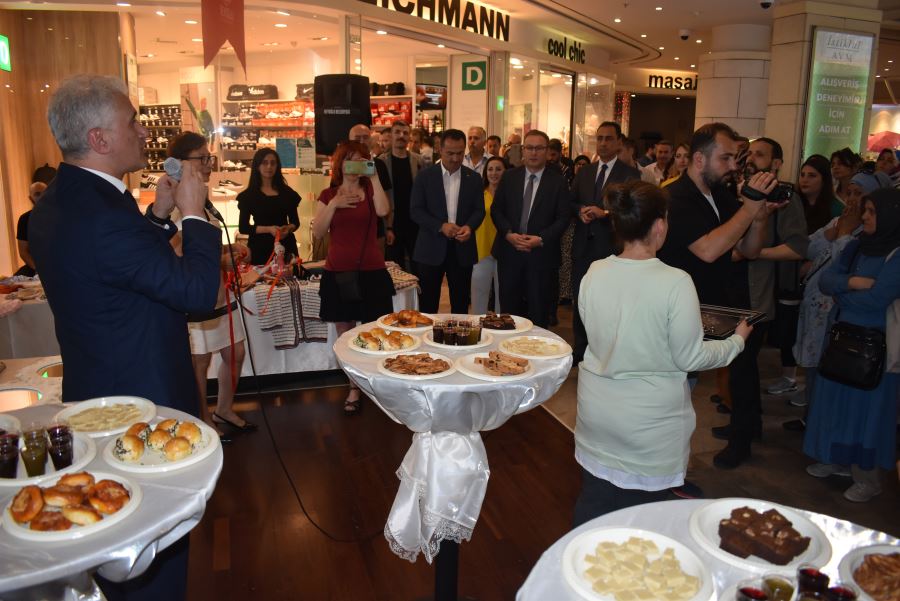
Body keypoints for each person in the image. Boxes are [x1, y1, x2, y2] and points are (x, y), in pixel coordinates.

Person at [29, 73, 220, 601]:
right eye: (132, 120)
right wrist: (194, 213)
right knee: (149, 548)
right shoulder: (102, 217)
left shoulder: (63, 201)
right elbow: (197, 291)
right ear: (99, 139)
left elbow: (119, 271)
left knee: (113, 527)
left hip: (98, 386)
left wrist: (158, 218)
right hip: (140, 404)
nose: (143, 129)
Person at [573, 180, 750, 524]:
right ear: (659, 225)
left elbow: (598, 333)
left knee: (594, 508)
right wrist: (736, 341)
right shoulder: (675, 281)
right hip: (647, 427)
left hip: (597, 415)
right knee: (641, 522)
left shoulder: (595, 271)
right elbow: (691, 358)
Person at [657, 122, 776, 469]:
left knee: (742, 373)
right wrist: (749, 209)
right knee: (680, 389)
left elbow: (750, 250)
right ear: (699, 159)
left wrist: (758, 219)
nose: (733, 166)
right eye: (724, 158)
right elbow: (709, 250)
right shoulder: (675, 198)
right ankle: (667, 465)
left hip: (726, 301)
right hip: (690, 308)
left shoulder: (720, 195)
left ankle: (744, 436)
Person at [710, 138, 808, 455]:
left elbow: (797, 248)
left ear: (777, 164)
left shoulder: (785, 198)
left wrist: (750, 253)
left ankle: (742, 439)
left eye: (761, 154)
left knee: (743, 365)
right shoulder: (736, 192)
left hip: (756, 294)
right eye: (749, 153)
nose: (751, 159)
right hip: (731, 290)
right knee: (740, 367)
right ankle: (748, 424)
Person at [803, 188, 900, 502]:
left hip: (877, 348)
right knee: (837, 402)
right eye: (866, 211)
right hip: (844, 336)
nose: (866, 217)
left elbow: (878, 298)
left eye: (872, 212)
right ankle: (837, 460)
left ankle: (867, 478)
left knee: (867, 413)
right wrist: (854, 284)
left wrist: (844, 291)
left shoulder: (896, 254)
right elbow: (826, 281)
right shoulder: (856, 246)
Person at [167, 132, 254, 440]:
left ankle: (225, 408)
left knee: (236, 352)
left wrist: (230, 254)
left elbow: (204, 248)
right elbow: (178, 252)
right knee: (199, 363)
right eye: (201, 158)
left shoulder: (203, 197)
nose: (208, 164)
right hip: (198, 298)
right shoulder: (177, 201)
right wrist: (220, 257)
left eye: (209, 157)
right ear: (180, 164)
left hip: (220, 292)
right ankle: (204, 420)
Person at [785, 171, 888, 432]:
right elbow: (808, 248)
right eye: (850, 193)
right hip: (815, 305)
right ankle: (810, 416)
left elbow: (844, 273)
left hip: (835, 314)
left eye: (859, 194)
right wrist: (835, 232)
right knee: (811, 365)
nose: (853, 200)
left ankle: (819, 422)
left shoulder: (870, 233)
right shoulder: (840, 221)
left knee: (828, 366)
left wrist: (843, 237)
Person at [314, 141, 392, 414]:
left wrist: (374, 177)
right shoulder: (327, 194)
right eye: (350, 160)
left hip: (371, 269)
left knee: (375, 332)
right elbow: (318, 231)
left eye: (362, 160)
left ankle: (376, 384)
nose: (355, 165)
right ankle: (354, 387)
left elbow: (383, 211)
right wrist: (335, 203)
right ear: (340, 163)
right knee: (345, 335)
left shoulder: (371, 189)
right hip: (339, 271)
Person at [570, 122, 641, 362]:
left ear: (619, 142)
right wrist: (580, 210)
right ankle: (580, 351)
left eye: (608, 138)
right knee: (581, 300)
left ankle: (606, 353)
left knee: (608, 304)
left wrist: (606, 214)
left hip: (611, 247)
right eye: (599, 138)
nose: (602, 143)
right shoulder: (586, 172)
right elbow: (572, 201)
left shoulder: (630, 174)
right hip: (583, 246)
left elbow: (634, 211)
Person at [490, 129, 571, 328]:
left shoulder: (558, 182)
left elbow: (563, 218)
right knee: (509, 314)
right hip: (510, 253)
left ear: (546, 151)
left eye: (539, 148)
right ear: (523, 151)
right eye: (529, 148)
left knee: (539, 313)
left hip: (541, 256)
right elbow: (496, 210)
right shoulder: (509, 177)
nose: (534, 153)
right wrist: (508, 234)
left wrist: (541, 239)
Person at [410, 129, 485, 313]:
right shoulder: (425, 176)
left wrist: (469, 227)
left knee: (460, 304)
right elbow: (415, 211)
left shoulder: (473, 178)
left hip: (462, 249)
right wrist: (440, 226)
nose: (455, 158)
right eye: (450, 153)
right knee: (427, 305)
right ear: (440, 149)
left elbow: (479, 210)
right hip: (430, 248)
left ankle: (459, 340)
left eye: (460, 153)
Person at [237, 148, 302, 265]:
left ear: (277, 166)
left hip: (286, 246)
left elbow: (295, 222)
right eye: (265, 162)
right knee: (262, 282)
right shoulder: (248, 196)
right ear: (257, 166)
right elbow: (243, 227)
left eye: (273, 163)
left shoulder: (287, 193)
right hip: (259, 248)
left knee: (290, 281)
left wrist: (288, 229)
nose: (269, 166)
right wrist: (269, 229)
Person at [379, 120, 425, 271]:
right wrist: (387, 227)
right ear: (391, 136)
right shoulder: (381, 162)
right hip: (392, 222)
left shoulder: (419, 161)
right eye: (397, 132)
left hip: (415, 222)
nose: (401, 136)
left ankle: (418, 295)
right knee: (394, 266)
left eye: (405, 133)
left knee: (418, 266)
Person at [471, 156, 506, 315]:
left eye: (498, 169)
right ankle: (478, 329)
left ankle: (501, 328)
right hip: (481, 248)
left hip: (504, 250)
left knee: (502, 295)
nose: (494, 173)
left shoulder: (510, 195)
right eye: (490, 169)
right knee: (479, 293)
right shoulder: (479, 194)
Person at [350, 123, 394, 249]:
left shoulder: (379, 164)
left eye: (366, 137)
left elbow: (387, 199)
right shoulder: (342, 165)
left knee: (376, 265)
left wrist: (389, 227)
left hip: (376, 229)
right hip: (349, 229)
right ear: (350, 140)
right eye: (357, 138)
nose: (362, 141)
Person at [797, 155, 840, 236]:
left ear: (824, 180)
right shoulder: (793, 203)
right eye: (802, 175)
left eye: (812, 175)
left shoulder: (835, 208)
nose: (804, 180)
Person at [15, 182, 47, 277]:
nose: (42, 196)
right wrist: (38, 270)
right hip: (35, 266)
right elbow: (23, 251)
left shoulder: (60, 217)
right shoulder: (24, 219)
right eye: (37, 194)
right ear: (30, 198)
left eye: (45, 192)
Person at [831, 147, 862, 217]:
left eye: (840, 163)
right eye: (832, 165)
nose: (835, 167)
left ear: (854, 167)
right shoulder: (831, 192)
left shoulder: (861, 191)